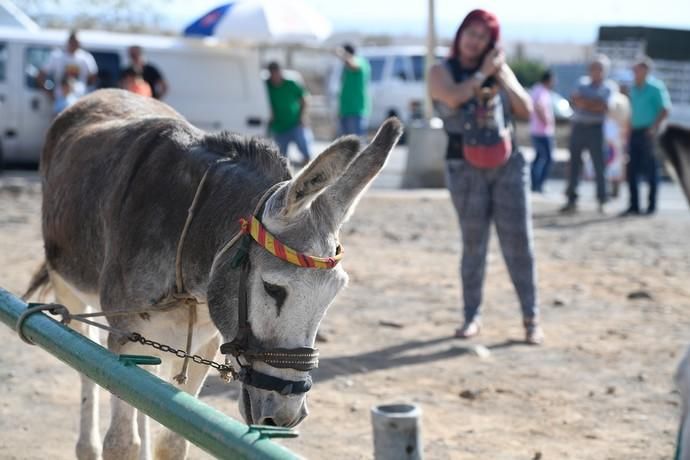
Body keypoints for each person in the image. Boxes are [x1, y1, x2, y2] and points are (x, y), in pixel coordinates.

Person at [429, 9, 543, 345]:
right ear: (460, 33)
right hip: (464, 168)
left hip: (507, 164)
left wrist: (502, 72)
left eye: (482, 36)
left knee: (519, 243)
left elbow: (526, 109)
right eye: (470, 32)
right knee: (474, 245)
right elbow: (451, 96)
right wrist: (482, 73)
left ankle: (531, 317)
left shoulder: (498, 71)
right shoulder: (441, 70)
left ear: (491, 43)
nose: (474, 40)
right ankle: (471, 316)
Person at [561, 54, 616, 214]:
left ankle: (602, 199)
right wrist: (592, 103)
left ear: (604, 71)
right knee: (574, 165)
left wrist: (585, 103)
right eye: (593, 68)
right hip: (578, 127)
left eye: (599, 69)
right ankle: (571, 199)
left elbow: (603, 106)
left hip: (595, 129)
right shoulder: (581, 82)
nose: (595, 72)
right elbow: (576, 100)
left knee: (599, 165)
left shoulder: (608, 87)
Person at [621, 56, 671, 216]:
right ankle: (634, 205)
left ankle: (651, 206)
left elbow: (665, 109)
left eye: (637, 69)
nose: (634, 72)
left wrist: (654, 127)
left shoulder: (656, 87)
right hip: (635, 132)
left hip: (649, 133)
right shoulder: (634, 89)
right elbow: (631, 112)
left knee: (651, 169)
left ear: (646, 70)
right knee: (632, 170)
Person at [265, 61, 311, 164]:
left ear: (280, 72)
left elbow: (305, 99)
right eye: (272, 74)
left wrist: (303, 116)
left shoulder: (291, 83)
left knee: (305, 149)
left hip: (295, 123)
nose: (275, 77)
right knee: (281, 157)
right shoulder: (266, 85)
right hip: (278, 126)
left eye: (276, 73)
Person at [37, 30, 97, 100]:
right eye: (72, 42)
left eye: (76, 42)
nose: (74, 45)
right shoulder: (57, 57)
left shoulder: (86, 58)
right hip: (60, 98)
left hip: (79, 99)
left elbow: (93, 78)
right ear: (68, 42)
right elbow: (40, 75)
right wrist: (49, 93)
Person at [529, 70, 556, 192]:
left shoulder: (540, 90)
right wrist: (545, 121)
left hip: (540, 130)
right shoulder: (540, 90)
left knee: (539, 158)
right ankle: (538, 185)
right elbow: (538, 106)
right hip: (542, 131)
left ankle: (534, 184)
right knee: (547, 158)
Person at [336, 43, 371, 137]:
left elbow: (354, 66)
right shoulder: (345, 67)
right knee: (345, 146)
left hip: (356, 110)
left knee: (358, 142)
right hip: (345, 110)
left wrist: (343, 55)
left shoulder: (360, 61)